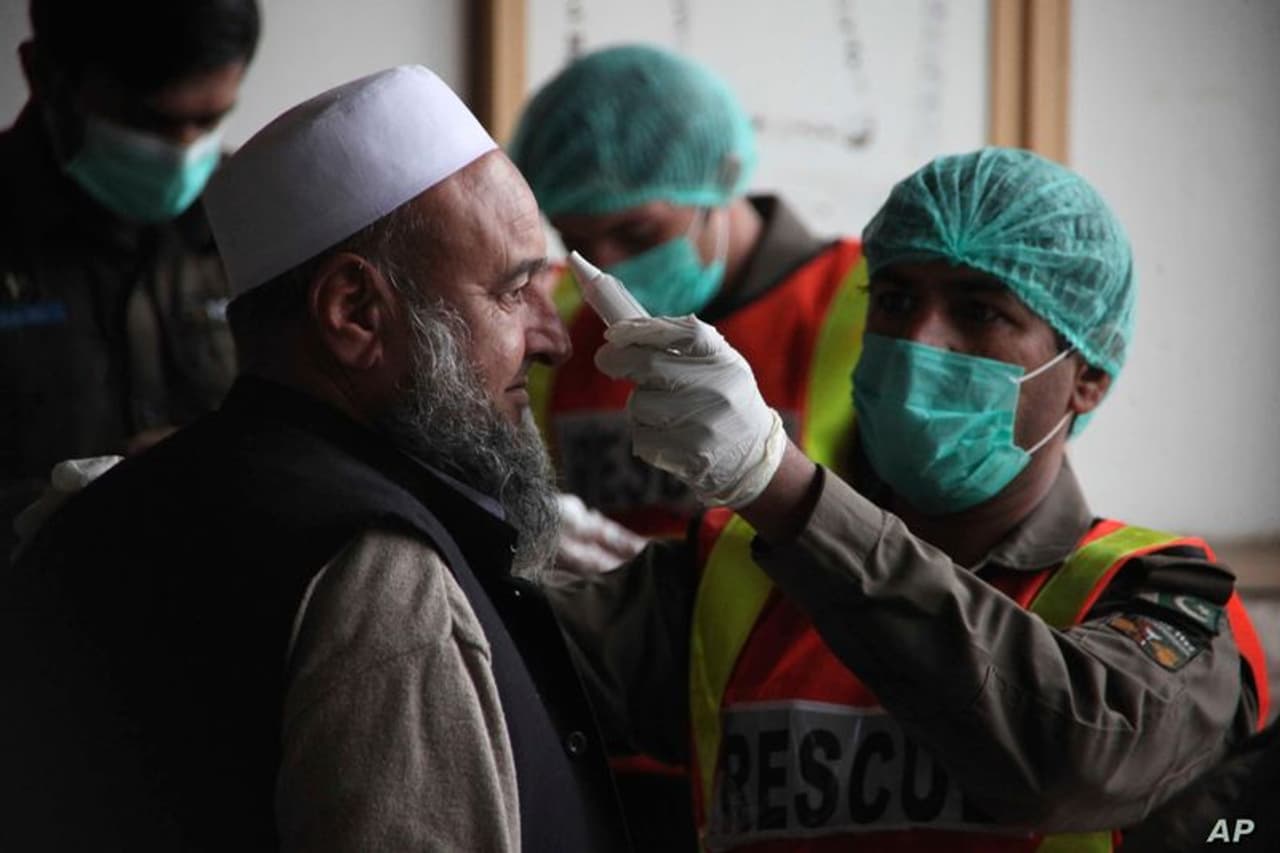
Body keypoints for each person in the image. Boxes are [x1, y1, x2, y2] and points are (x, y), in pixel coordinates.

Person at [547, 147, 1269, 851]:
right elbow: (504, 662)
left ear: (1087, 378)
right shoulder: (726, 581)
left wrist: (779, 484)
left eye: (980, 312)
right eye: (894, 300)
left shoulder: (1159, 599)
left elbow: (1072, 756)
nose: (919, 340)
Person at [0, 66, 629, 852]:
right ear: (354, 311)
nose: (554, 338)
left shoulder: (93, 516)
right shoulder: (376, 572)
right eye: (512, 291)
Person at [509, 44, 868, 542]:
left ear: (720, 180)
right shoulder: (559, 318)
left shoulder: (867, 301)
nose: (607, 266)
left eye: (637, 233)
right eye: (576, 240)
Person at [0, 0, 260, 561]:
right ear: (43, 74)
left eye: (209, 122)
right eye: (148, 123)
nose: (183, 152)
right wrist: (73, 508)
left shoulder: (257, 214)